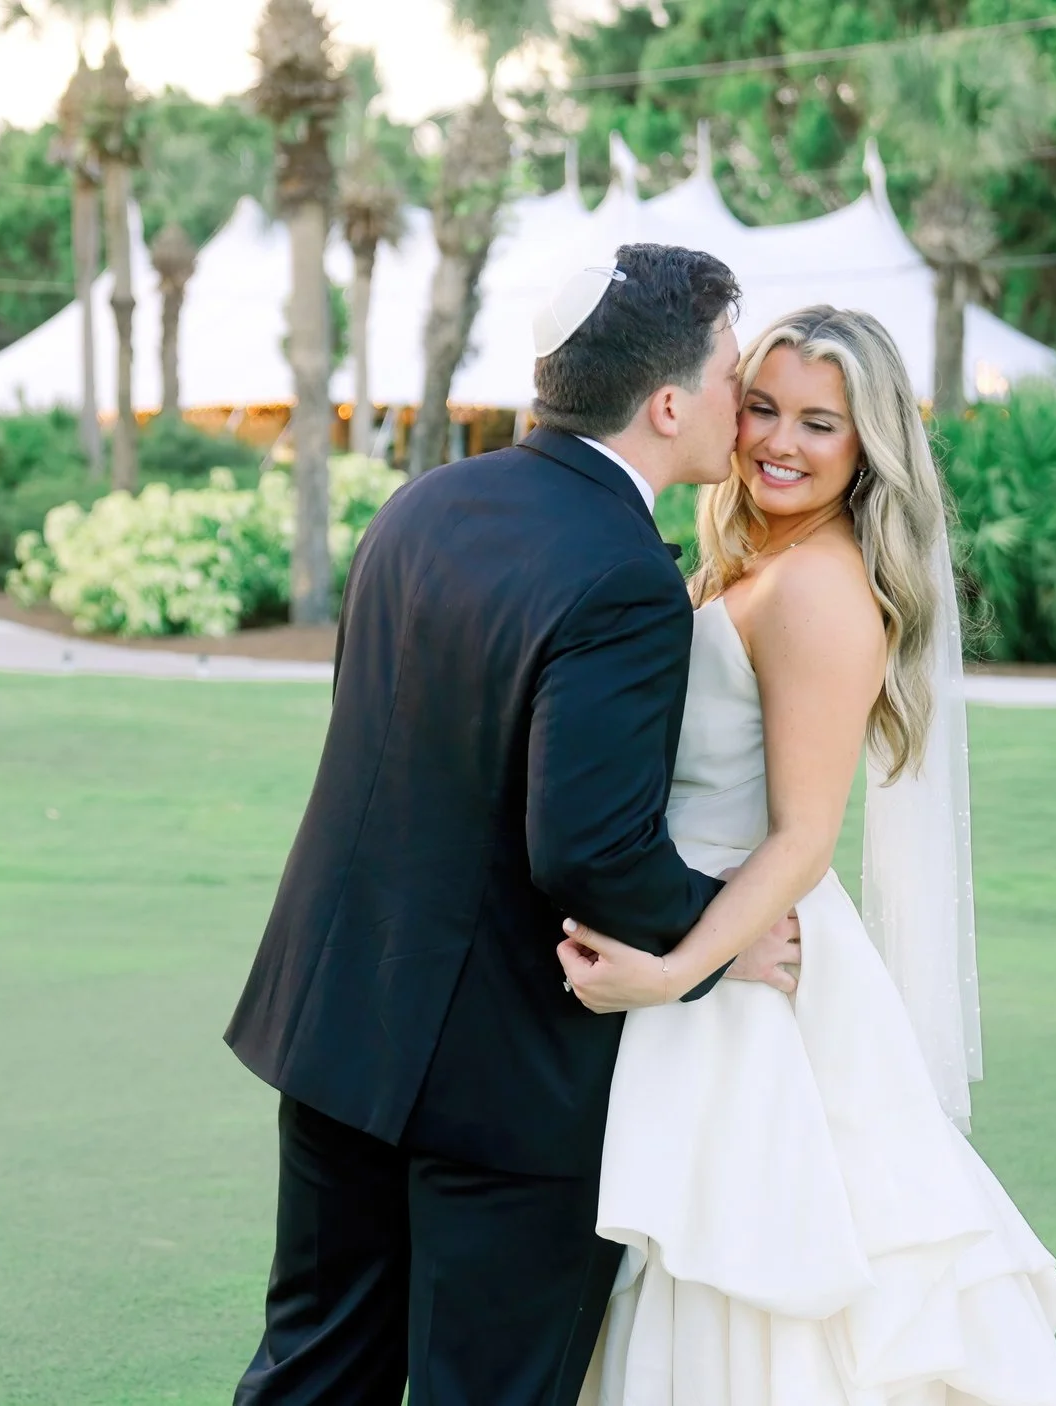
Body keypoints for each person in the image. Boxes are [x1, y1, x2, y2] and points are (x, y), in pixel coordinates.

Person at [222, 243, 802, 1405]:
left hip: (339, 1031)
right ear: (670, 401)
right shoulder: (625, 573)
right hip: (504, 1078)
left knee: (309, 1375)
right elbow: (586, 844)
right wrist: (720, 937)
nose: (744, 409)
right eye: (735, 379)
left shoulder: (423, 503)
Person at [558, 306, 1056, 1403]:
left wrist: (674, 970)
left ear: (867, 448)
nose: (779, 442)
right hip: (699, 931)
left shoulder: (820, 586)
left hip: (743, 966)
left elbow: (802, 835)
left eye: (820, 423)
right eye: (760, 407)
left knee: (748, 1265)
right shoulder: (754, 560)